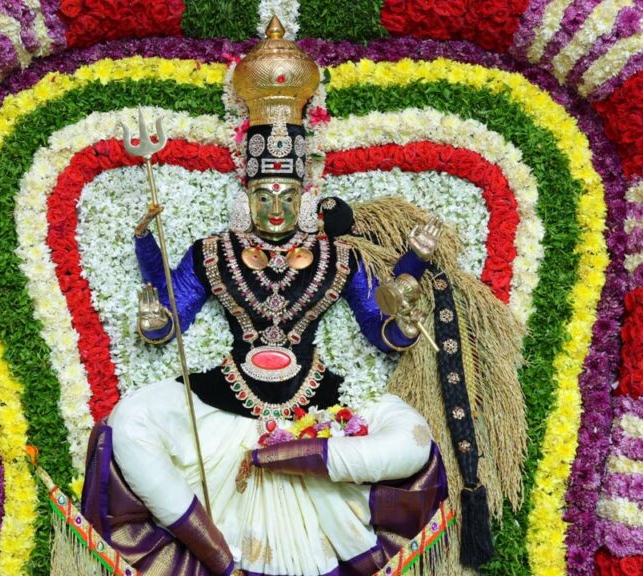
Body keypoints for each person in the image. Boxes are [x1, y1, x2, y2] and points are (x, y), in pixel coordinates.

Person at [81, 18, 449, 576]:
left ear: (304, 195)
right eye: (263, 194)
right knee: (129, 418)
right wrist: (154, 310)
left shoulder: (338, 257)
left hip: (316, 410)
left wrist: (409, 279)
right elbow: (170, 323)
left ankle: (295, 460)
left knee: (414, 440)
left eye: (286, 194)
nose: (275, 209)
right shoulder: (213, 252)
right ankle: (217, 554)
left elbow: (384, 332)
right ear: (245, 193)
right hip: (224, 402)